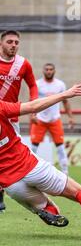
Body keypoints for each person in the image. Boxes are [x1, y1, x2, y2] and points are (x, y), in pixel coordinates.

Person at [0, 83, 81, 240]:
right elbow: (33, 107)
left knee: (49, 208)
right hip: (32, 167)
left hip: (11, 183)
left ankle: (46, 212)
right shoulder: (1, 106)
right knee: (79, 192)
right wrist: (63, 95)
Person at [0, 30, 39, 213]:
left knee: (11, 156)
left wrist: (33, 107)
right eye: (9, 41)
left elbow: (32, 85)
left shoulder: (23, 64)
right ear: (2, 44)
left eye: (16, 42)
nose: (13, 45)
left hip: (12, 119)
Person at [30, 63, 74, 175]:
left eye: (51, 69)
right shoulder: (37, 84)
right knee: (33, 147)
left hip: (55, 119)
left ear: (54, 71)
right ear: (43, 71)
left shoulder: (60, 85)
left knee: (60, 146)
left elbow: (65, 101)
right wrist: (32, 115)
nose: (49, 71)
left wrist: (70, 117)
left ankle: (65, 172)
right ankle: (29, 170)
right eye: (47, 69)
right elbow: (32, 101)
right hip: (40, 119)